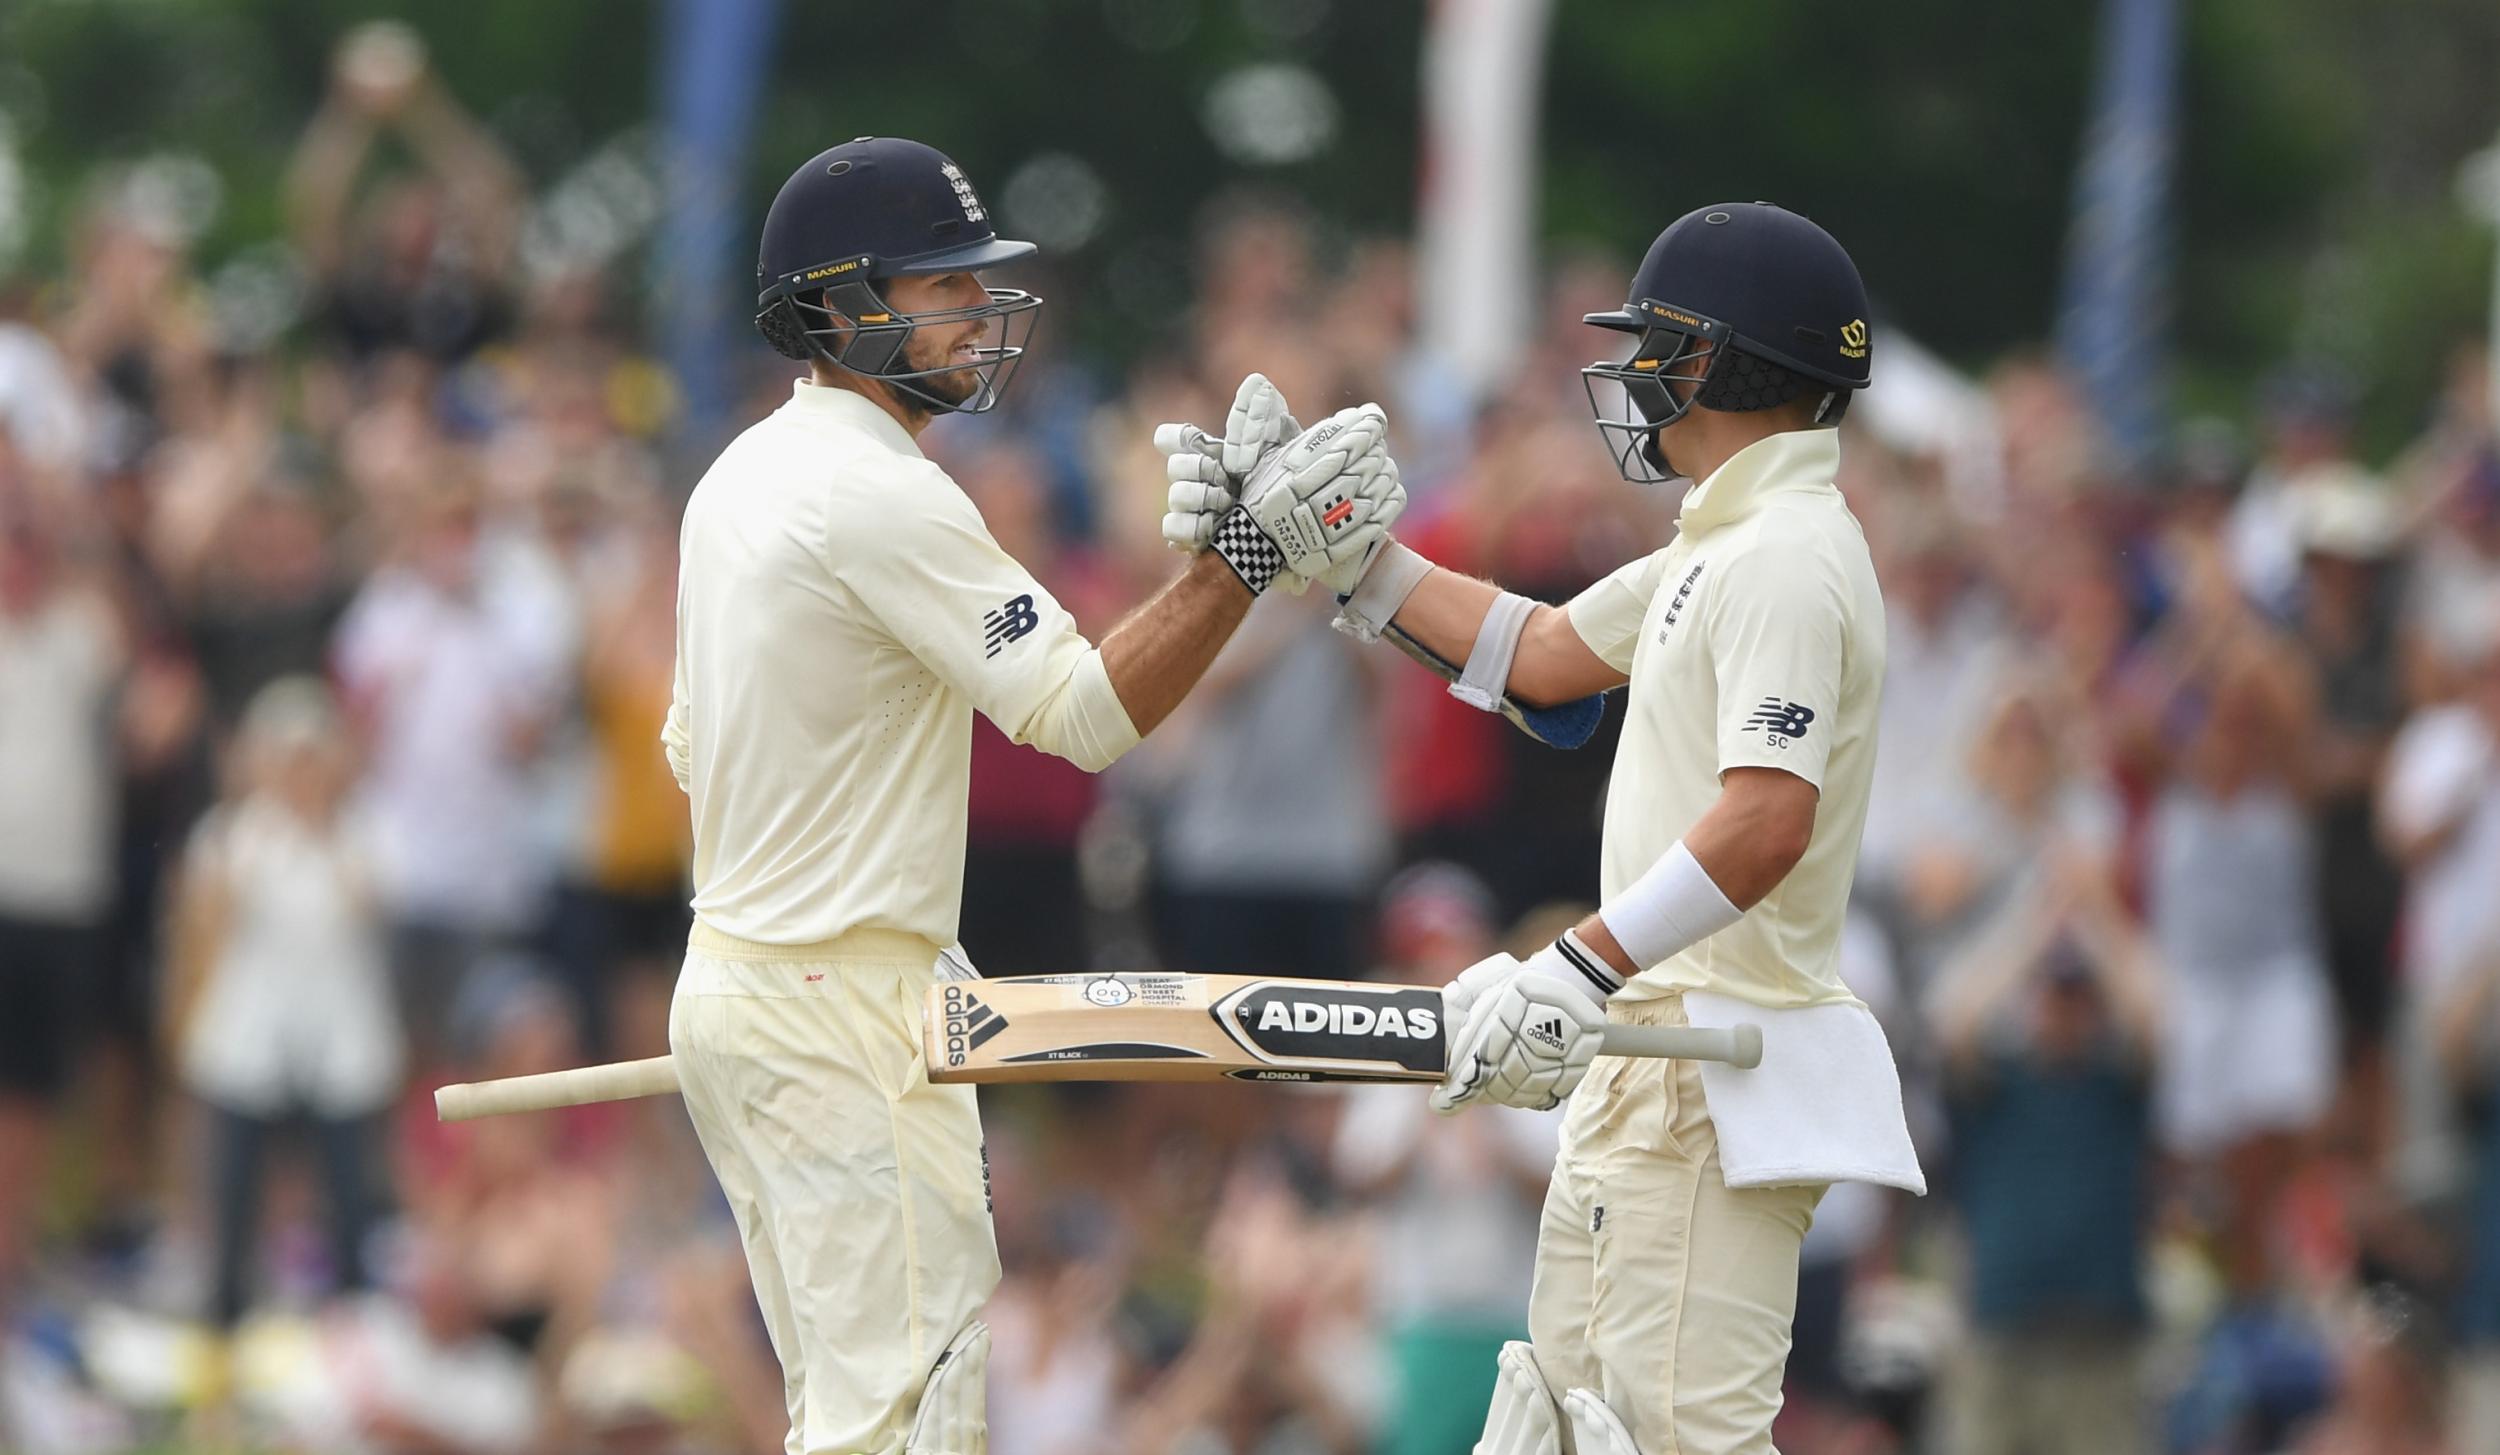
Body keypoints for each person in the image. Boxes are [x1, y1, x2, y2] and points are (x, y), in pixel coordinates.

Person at [663, 136, 1404, 1455]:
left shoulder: (738, 477)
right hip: (844, 1011)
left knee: (851, 1411)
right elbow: (1083, 714)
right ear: (839, 306)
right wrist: (1247, 557)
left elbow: (689, 746)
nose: (974, 312)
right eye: (939, 285)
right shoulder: (878, 490)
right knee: (901, 1422)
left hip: (753, 987)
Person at [1161, 201, 1925, 1454]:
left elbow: (1768, 820)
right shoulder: (1722, 541)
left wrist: (1579, 964)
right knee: (1566, 1430)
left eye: (1663, 351)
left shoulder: (1787, 554)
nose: (1637, 380)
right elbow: (1547, 650)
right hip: (1647, 1056)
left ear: (1731, 365)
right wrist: (1346, 562)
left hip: (1710, 1072)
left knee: (1676, 1442)